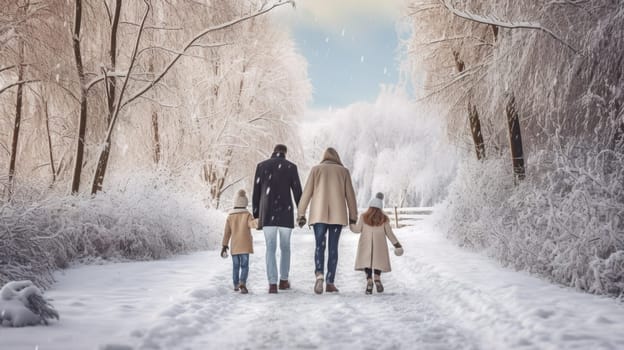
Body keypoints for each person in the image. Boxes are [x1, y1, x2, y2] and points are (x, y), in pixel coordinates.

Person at [297, 147, 358, 294]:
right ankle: (330, 282)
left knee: (319, 245)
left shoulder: (316, 170)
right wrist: (353, 217)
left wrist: (301, 214)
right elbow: (350, 196)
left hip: (319, 214)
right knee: (333, 248)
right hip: (337, 216)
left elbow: (306, 193)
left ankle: (319, 274)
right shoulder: (343, 171)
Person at [252, 144, 303, 294]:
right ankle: (284, 280)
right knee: (285, 247)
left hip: (267, 214)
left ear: (273, 151)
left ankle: (272, 283)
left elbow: (256, 192)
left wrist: (256, 214)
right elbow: (298, 192)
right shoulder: (291, 167)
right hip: (285, 213)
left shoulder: (261, 166)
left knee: (270, 248)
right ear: (285, 153)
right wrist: (301, 214)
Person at [350, 192, 404, 294]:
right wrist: (397, 245)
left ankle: (369, 280)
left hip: (365, 244)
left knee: (367, 262)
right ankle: (377, 279)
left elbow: (357, 230)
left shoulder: (363, 217)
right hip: (380, 246)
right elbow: (389, 234)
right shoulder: (384, 219)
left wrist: (352, 223)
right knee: (378, 263)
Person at [221, 189, 258, 294]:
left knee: (235, 266)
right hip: (245, 246)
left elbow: (227, 233)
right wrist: (260, 221)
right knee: (245, 266)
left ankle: (236, 284)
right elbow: (252, 224)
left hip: (235, 246)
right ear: (245, 203)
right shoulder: (247, 215)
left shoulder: (230, 217)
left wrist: (224, 245)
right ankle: (242, 282)